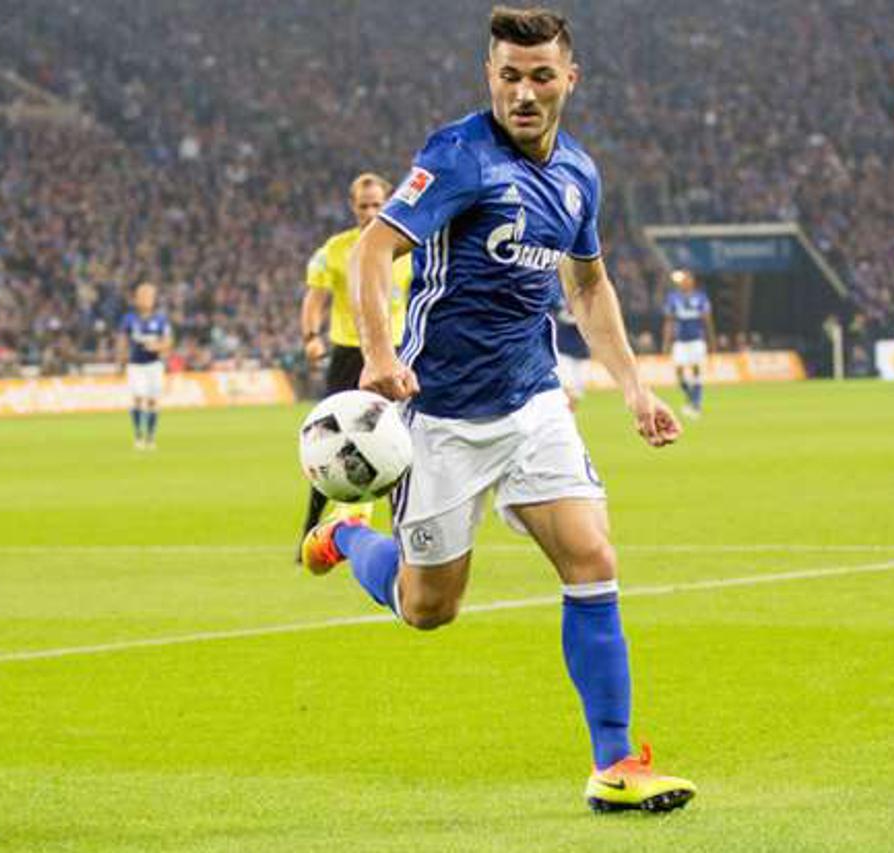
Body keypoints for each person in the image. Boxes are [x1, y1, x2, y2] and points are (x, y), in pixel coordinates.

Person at [302, 6, 695, 813]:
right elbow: (375, 249)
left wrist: (634, 385)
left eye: (540, 76)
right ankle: (345, 536)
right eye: (509, 76)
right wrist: (378, 355)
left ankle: (615, 763)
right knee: (428, 608)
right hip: (441, 413)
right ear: (490, 76)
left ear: (569, 79)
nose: (523, 92)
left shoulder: (580, 174)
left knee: (592, 559)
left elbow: (587, 285)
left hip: (534, 400)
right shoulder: (459, 155)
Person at [299, 174, 413, 546]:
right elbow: (315, 299)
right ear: (353, 206)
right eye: (364, 206)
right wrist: (311, 336)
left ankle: (404, 532)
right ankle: (311, 532)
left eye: (377, 204)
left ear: (389, 201)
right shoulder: (334, 249)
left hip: (396, 352)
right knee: (326, 441)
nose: (371, 212)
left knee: (403, 443)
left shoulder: (407, 247)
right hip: (348, 352)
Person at [117, 282, 172, 450]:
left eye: (149, 296)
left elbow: (168, 341)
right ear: (136, 299)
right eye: (142, 296)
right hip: (136, 365)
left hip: (154, 365)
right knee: (138, 398)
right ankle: (138, 434)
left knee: (153, 400)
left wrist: (158, 347)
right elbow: (122, 340)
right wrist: (121, 359)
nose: (146, 299)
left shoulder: (161, 319)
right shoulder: (129, 319)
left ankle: (150, 436)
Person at [661, 269, 716, 418]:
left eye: (687, 280)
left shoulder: (701, 298)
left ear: (692, 282)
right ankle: (691, 397)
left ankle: (696, 404)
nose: (685, 283)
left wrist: (711, 340)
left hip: (697, 340)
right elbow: (669, 321)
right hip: (680, 341)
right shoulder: (673, 298)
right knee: (679, 372)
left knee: (696, 369)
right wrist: (666, 342)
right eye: (683, 280)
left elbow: (707, 320)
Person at [553, 258, 593, 409]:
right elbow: (554, 313)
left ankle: (568, 419)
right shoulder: (555, 290)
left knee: (576, 397)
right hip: (563, 350)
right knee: (566, 393)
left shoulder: (587, 290)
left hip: (582, 352)